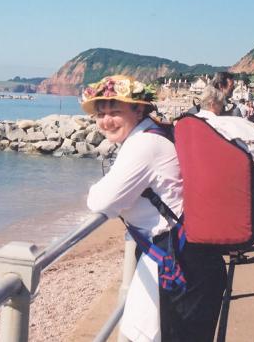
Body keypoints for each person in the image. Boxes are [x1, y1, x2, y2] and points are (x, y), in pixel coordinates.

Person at [82, 75, 226, 342]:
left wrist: (95, 188)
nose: (105, 121)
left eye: (115, 112)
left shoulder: (142, 145)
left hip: (183, 263)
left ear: (138, 109)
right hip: (188, 256)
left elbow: (101, 202)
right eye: (100, 114)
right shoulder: (153, 131)